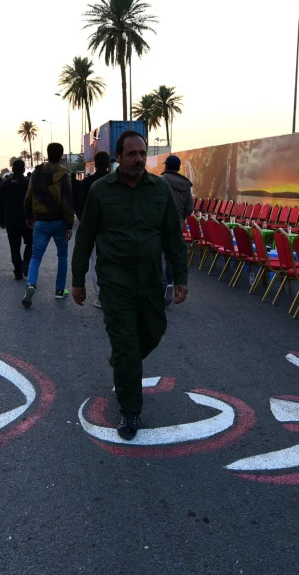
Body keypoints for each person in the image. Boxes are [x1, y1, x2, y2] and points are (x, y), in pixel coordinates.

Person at [71, 130, 189, 441]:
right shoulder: (100, 191)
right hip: (115, 282)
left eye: (142, 153)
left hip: (151, 280)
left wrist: (180, 276)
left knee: (153, 331)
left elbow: (173, 237)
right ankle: (130, 411)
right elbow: (84, 238)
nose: (138, 159)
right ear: (118, 158)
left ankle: (126, 360)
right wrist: (78, 280)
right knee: (125, 346)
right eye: (131, 154)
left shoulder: (159, 189)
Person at [21, 142, 75, 307]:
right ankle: (59, 290)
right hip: (59, 221)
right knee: (62, 256)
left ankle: (31, 284)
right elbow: (67, 202)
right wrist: (69, 224)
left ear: (47, 153)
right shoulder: (64, 175)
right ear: (61, 155)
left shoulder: (36, 173)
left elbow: (28, 197)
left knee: (36, 256)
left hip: (41, 221)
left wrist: (28, 216)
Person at [75, 151, 114, 309]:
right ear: (108, 164)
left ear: (95, 164)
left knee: (94, 262)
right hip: (112, 229)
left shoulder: (87, 182)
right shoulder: (114, 181)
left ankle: (100, 295)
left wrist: (84, 222)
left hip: (93, 229)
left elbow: (79, 205)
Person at [160, 154, 195, 308]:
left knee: (155, 257)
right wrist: (180, 218)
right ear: (179, 167)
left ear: (166, 166)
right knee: (170, 258)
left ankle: (161, 285)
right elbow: (189, 208)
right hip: (176, 228)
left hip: (160, 226)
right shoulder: (186, 185)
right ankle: (168, 283)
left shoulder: (161, 181)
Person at [0, 159, 32, 280]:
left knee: (14, 246)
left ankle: (18, 271)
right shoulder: (28, 183)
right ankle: (26, 263)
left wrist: (1, 220)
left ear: (12, 169)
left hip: (10, 220)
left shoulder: (5, 184)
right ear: (23, 169)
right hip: (27, 220)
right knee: (31, 243)